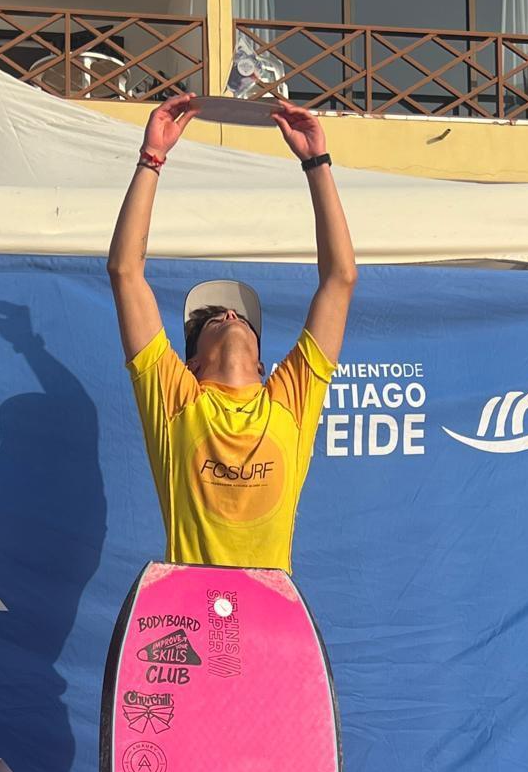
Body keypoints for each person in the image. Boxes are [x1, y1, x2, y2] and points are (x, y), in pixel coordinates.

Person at [107, 94, 357, 571]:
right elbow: (125, 272)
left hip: (269, 612)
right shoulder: (177, 399)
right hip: (189, 611)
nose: (229, 315)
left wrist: (317, 162)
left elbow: (339, 279)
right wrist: (151, 158)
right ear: (192, 365)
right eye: (211, 319)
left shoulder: (289, 401)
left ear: (264, 366)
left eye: (239, 315)